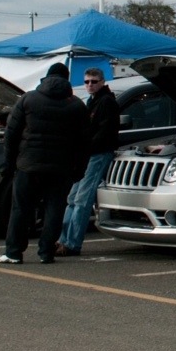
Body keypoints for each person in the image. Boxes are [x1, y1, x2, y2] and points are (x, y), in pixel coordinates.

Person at [0, 63, 90, 264]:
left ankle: (13, 252)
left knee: (21, 209)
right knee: (54, 210)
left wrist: (10, 163)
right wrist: (79, 170)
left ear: (47, 77)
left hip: (28, 164)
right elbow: (84, 142)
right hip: (60, 167)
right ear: (67, 79)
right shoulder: (76, 105)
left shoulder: (28, 99)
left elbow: (11, 134)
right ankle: (46, 252)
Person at [56, 68, 119, 257]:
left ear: (102, 82)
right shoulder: (92, 101)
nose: (90, 85)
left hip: (98, 154)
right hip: (86, 155)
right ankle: (63, 240)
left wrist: (87, 147)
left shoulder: (107, 102)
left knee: (82, 200)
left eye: (94, 81)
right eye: (87, 82)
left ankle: (72, 243)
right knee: (72, 198)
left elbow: (105, 131)